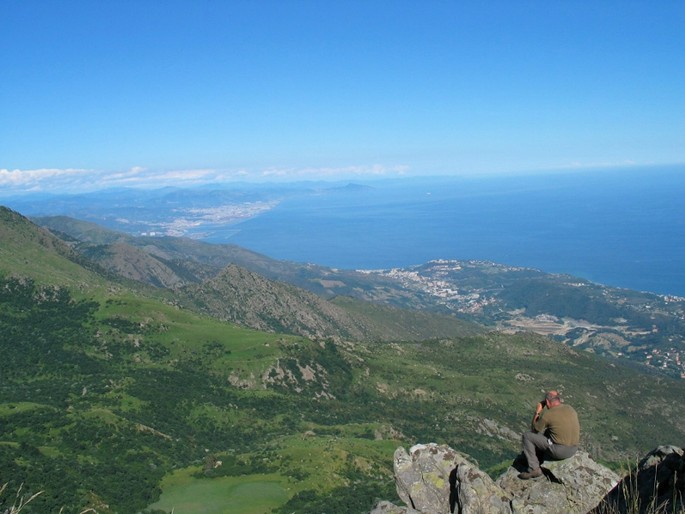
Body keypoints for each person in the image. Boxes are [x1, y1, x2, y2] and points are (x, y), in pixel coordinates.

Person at [518, 390, 580, 479]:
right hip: (573, 449)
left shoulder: (548, 414)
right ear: (559, 399)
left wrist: (537, 412)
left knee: (527, 436)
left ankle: (534, 469)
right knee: (548, 431)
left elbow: (534, 430)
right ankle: (538, 456)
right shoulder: (570, 408)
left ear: (547, 402)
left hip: (559, 452)